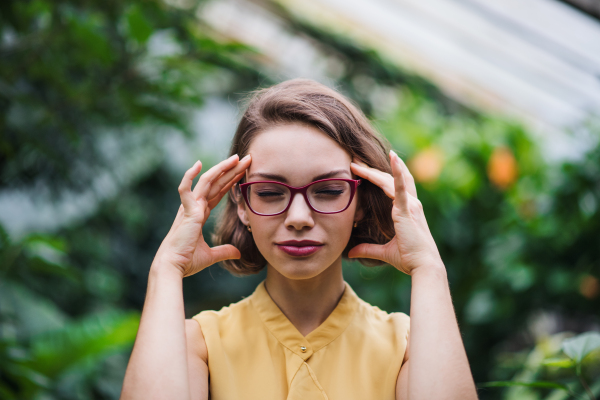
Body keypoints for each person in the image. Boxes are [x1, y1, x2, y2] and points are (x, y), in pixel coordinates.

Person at [120, 79, 478, 400]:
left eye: (328, 190)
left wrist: (428, 268)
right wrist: (166, 267)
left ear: (362, 204)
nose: (299, 218)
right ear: (242, 204)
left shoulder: (408, 347)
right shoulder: (197, 346)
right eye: (270, 192)